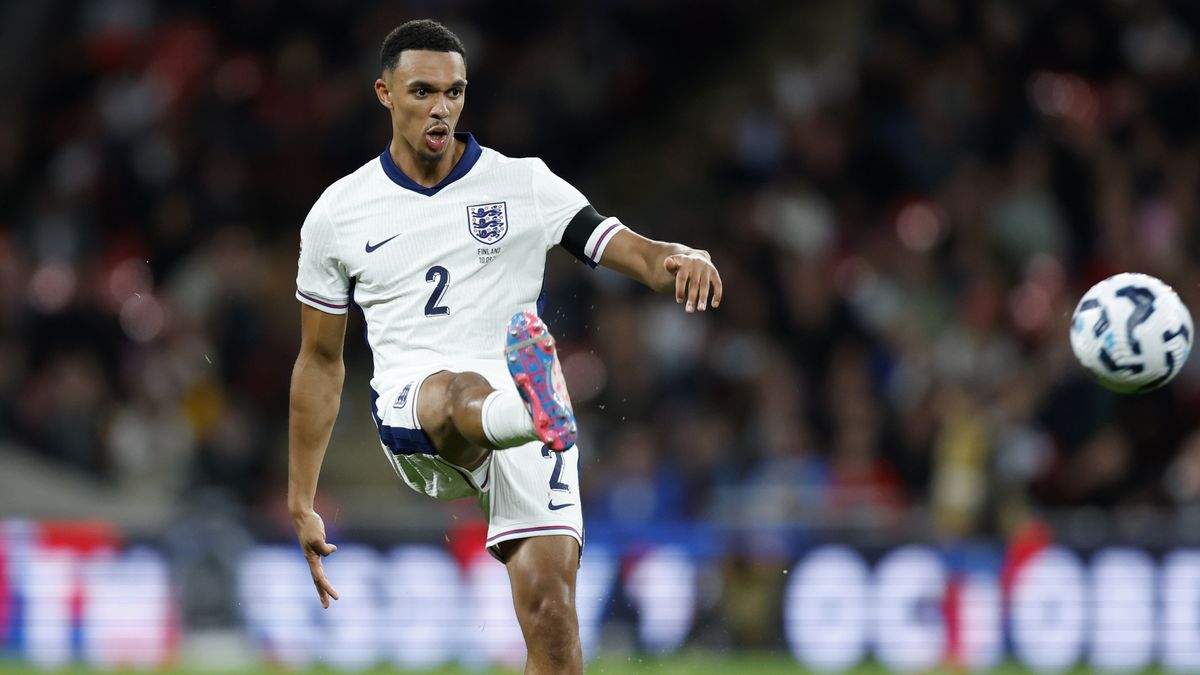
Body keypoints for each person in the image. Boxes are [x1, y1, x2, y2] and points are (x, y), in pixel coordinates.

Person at [288, 19, 722, 674]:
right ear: (384, 92)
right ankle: (531, 410)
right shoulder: (338, 213)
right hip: (417, 402)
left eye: (455, 93)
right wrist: (301, 496)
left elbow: (622, 245)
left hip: (522, 402)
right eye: (423, 91)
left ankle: (532, 409)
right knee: (455, 391)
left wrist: (679, 255)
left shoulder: (524, 183)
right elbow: (320, 360)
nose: (442, 108)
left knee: (554, 619)